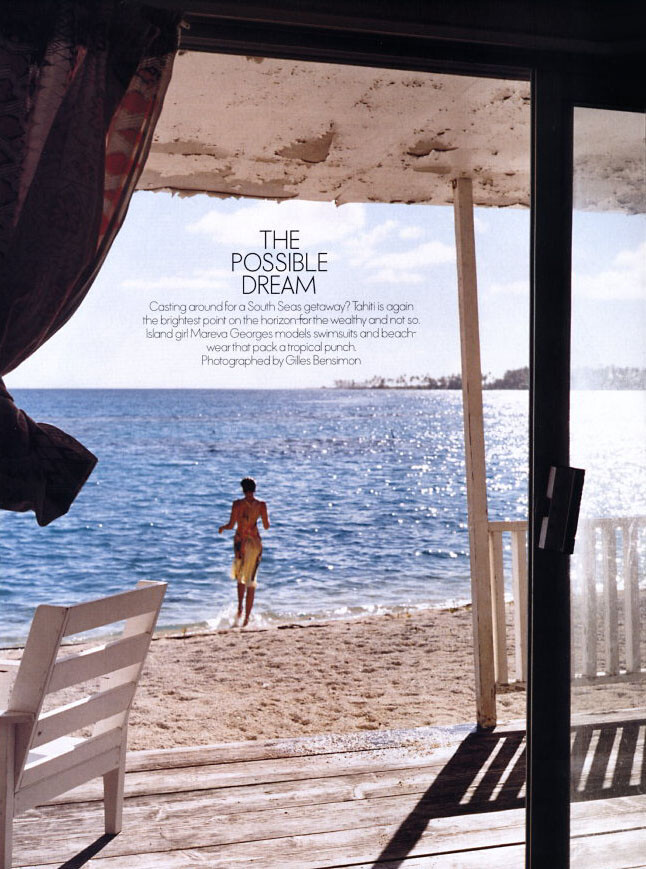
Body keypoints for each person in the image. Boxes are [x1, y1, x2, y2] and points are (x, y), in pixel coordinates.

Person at [218, 477, 270, 628]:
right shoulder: (261, 505)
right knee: (251, 580)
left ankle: (240, 608)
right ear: (254, 489)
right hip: (255, 544)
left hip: (240, 543)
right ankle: (247, 618)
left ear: (243, 489)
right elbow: (266, 526)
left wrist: (222, 528)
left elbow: (231, 525)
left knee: (240, 577)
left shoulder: (237, 504)